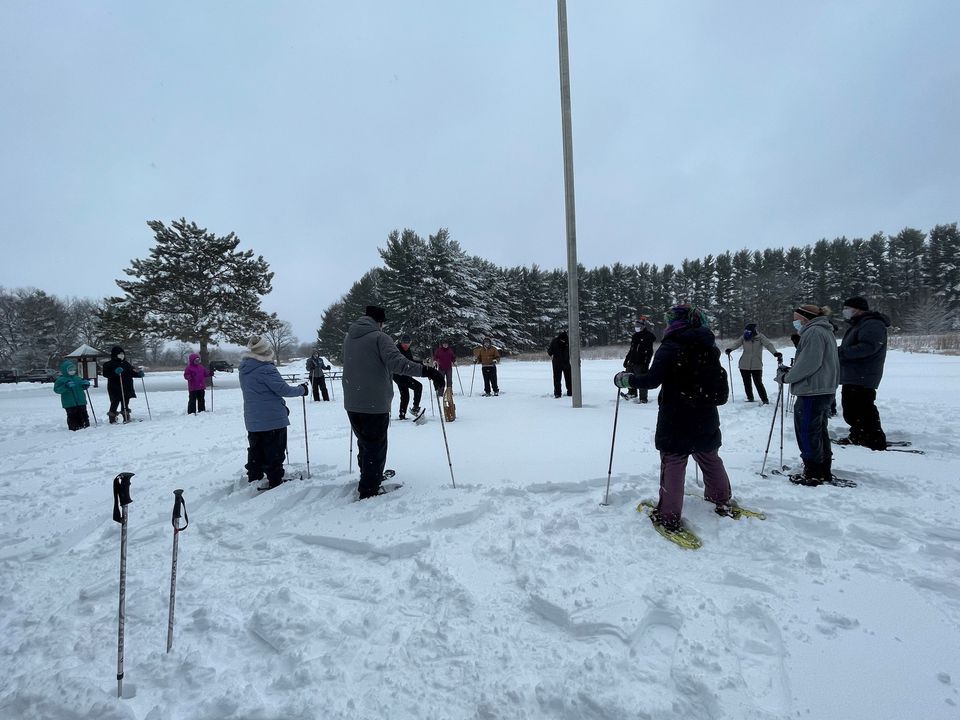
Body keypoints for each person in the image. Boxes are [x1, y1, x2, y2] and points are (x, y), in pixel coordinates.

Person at [612, 304, 733, 532]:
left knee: (674, 463)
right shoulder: (709, 346)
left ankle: (668, 516)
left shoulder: (670, 346)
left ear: (678, 322)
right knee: (709, 458)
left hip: (676, 415)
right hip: (705, 414)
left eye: (670, 319)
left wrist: (627, 380)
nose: (667, 323)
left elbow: (651, 380)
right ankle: (721, 501)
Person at [342, 306, 445, 499]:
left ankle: (369, 476)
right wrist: (428, 371)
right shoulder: (380, 338)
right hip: (374, 402)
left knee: (364, 443)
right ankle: (369, 489)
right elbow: (398, 363)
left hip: (352, 401)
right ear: (379, 322)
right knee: (376, 446)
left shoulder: (349, 338)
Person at [776, 304, 839, 485]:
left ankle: (813, 472)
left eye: (796, 318)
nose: (794, 322)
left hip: (813, 390)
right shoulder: (824, 330)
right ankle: (822, 469)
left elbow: (809, 364)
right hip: (822, 388)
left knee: (807, 431)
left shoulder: (813, 332)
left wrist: (787, 377)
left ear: (805, 318)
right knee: (818, 431)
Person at [238, 335, 308, 491]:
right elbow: (283, 389)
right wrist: (302, 389)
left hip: (253, 417)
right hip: (272, 418)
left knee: (256, 448)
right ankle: (275, 479)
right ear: (265, 351)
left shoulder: (245, 368)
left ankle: (254, 476)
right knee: (274, 450)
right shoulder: (266, 369)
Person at [837, 296, 890, 450]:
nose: (844, 311)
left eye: (847, 308)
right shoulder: (859, 324)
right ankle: (858, 434)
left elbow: (868, 347)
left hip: (863, 374)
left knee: (863, 408)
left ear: (858, 309)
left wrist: (841, 352)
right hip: (854, 374)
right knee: (851, 409)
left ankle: (874, 438)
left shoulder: (872, 324)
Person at [724, 323, 782, 404]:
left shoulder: (760, 337)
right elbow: (736, 344)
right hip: (744, 364)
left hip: (756, 364)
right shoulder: (744, 337)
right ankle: (750, 397)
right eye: (746, 330)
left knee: (758, 383)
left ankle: (765, 400)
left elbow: (768, 345)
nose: (747, 332)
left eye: (748, 331)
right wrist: (730, 349)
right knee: (746, 383)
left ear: (753, 330)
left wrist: (775, 353)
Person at [102, 345, 144, 423]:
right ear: (115, 354)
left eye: (123, 354)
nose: (122, 355)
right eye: (119, 354)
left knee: (125, 402)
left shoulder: (126, 364)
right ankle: (112, 417)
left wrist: (138, 374)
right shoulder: (108, 364)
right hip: (115, 387)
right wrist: (115, 372)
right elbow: (106, 374)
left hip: (126, 386)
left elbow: (131, 372)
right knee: (115, 402)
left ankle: (126, 416)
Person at [623, 316, 656, 402]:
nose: (636, 328)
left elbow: (649, 353)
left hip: (641, 363)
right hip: (632, 361)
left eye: (638, 326)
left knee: (641, 379)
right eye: (635, 326)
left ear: (642, 326)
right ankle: (632, 393)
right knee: (629, 377)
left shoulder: (648, 337)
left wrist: (646, 364)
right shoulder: (635, 336)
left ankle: (643, 398)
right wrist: (627, 360)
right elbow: (632, 349)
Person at [53, 360, 91, 431]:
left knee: (84, 414)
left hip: (81, 401)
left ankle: (85, 425)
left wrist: (86, 385)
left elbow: (82, 387)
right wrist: (65, 386)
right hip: (69, 402)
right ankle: (74, 427)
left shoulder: (78, 378)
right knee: (72, 415)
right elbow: (57, 390)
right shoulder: (61, 380)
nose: (72, 371)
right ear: (65, 370)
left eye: (73, 369)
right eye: (70, 370)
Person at [393, 334, 424, 420]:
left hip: (404, 375)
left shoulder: (407, 350)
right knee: (418, 386)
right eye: (404, 343)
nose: (406, 345)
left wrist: (421, 363)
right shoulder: (397, 350)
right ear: (401, 342)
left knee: (405, 395)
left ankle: (402, 415)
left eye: (408, 343)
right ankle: (415, 408)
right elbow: (404, 362)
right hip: (398, 375)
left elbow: (410, 361)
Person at [547, 330, 572, 398]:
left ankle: (557, 393)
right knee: (568, 378)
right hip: (566, 362)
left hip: (556, 363)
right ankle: (570, 392)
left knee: (557, 378)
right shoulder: (569, 341)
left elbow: (550, 352)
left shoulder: (554, 341)